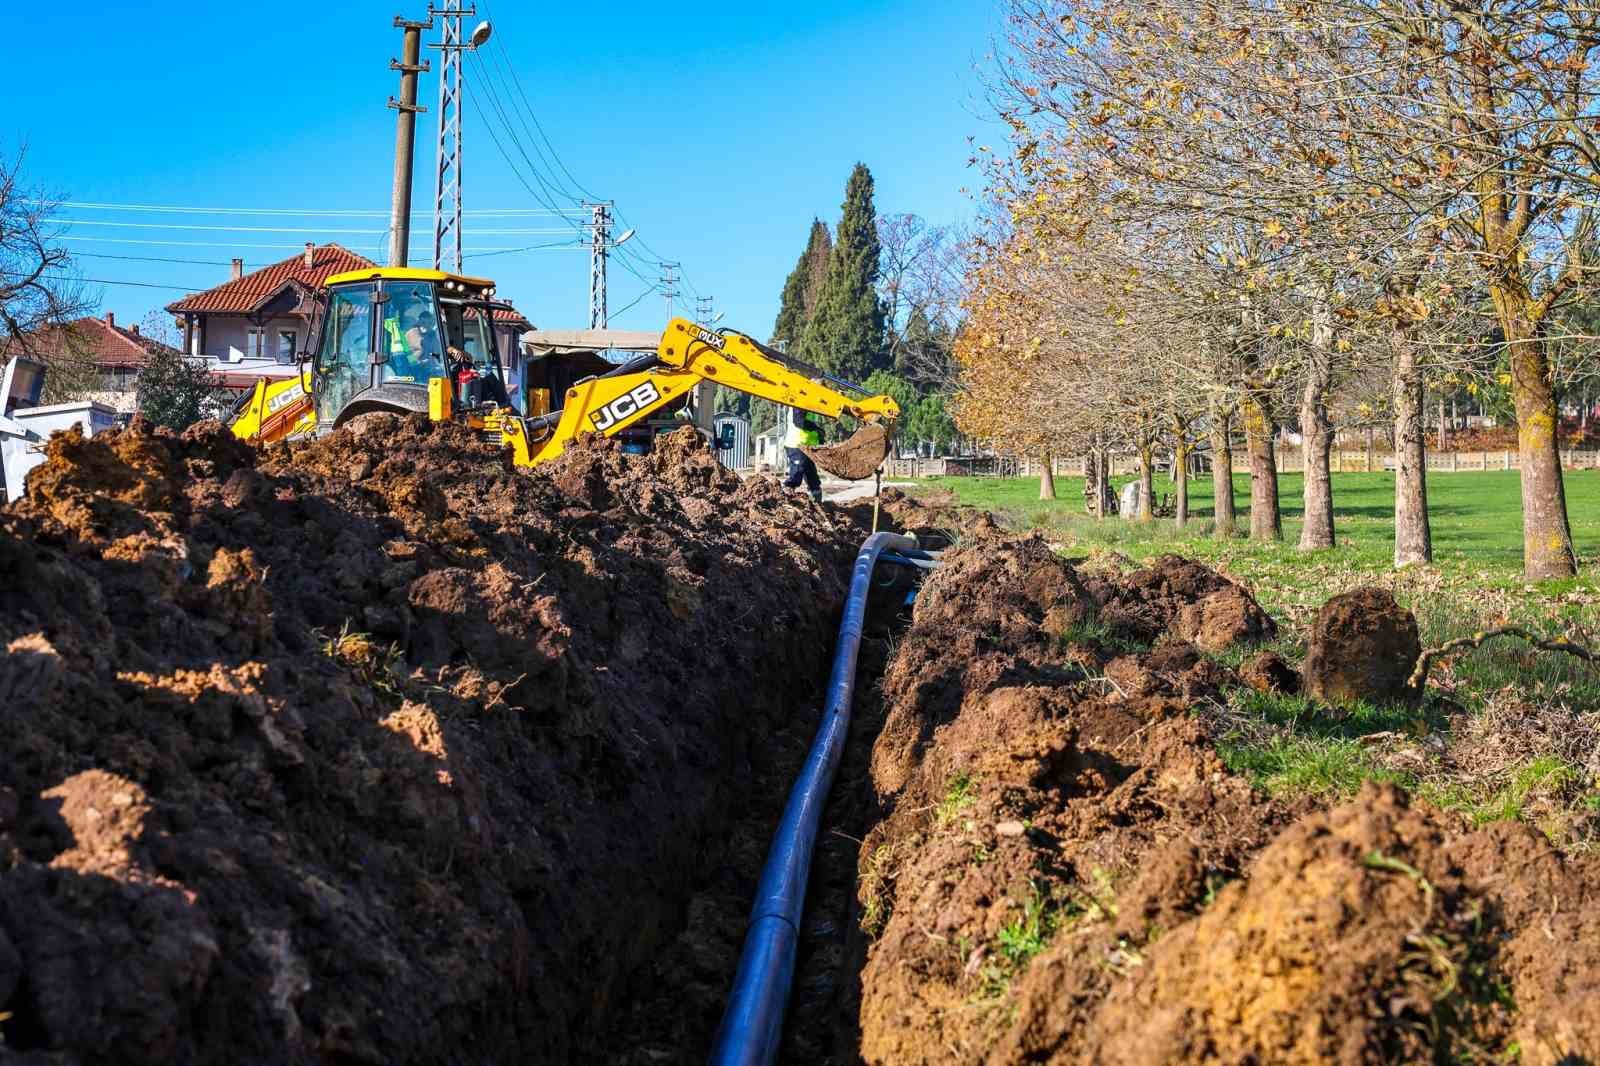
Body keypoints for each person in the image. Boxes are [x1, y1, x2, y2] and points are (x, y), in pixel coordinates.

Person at [783, 407, 824, 502]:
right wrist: (816, 428)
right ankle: (786, 495)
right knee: (797, 472)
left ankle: (816, 500)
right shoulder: (800, 402)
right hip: (796, 444)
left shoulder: (813, 404)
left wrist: (819, 435)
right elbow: (798, 421)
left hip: (808, 447)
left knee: (811, 475)